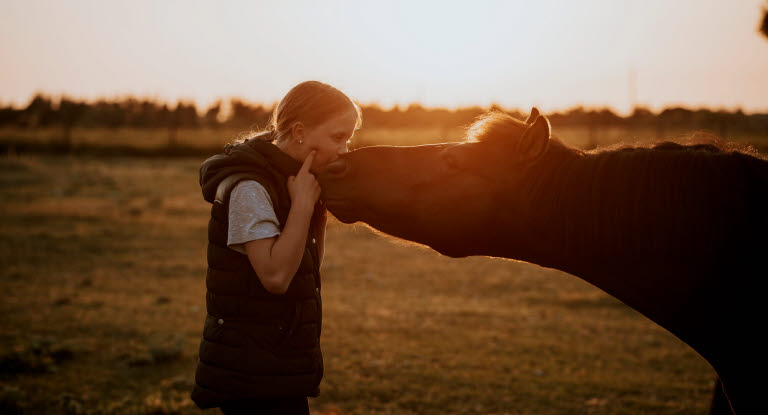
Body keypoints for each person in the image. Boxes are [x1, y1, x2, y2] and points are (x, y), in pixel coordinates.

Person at [191, 81, 361, 414]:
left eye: (349, 139)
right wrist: (301, 206)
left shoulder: (292, 181)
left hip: (276, 363)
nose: (344, 150)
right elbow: (276, 276)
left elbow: (305, 267)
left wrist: (314, 212)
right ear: (299, 131)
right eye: (337, 138)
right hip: (251, 374)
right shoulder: (250, 187)